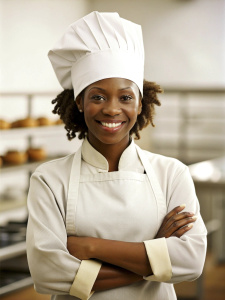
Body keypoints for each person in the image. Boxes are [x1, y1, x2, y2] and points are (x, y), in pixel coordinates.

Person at [26, 11, 207, 300]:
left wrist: (90, 247)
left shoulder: (172, 173)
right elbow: (47, 273)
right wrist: (157, 253)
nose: (112, 109)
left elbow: (191, 260)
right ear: (80, 103)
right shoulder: (49, 179)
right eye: (97, 96)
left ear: (139, 105)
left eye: (125, 97)